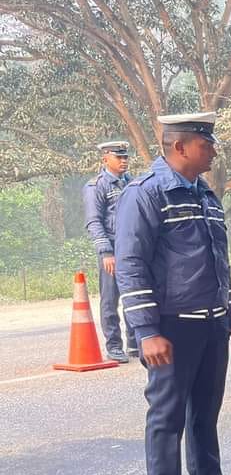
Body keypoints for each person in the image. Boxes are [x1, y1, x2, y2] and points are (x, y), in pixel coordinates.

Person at [114, 113, 231, 475]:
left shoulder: (206, 196)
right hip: (171, 328)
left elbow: (218, 264)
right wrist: (146, 331)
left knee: (205, 411)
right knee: (166, 417)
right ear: (180, 147)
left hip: (212, 325)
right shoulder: (146, 194)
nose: (212, 150)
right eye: (205, 143)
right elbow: (131, 265)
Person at [84, 140, 136, 362]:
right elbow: (94, 222)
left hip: (133, 247)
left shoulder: (132, 183)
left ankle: (135, 342)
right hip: (112, 247)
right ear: (105, 158)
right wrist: (106, 252)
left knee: (134, 294)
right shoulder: (96, 186)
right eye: (119, 157)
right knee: (110, 298)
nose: (124, 160)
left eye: (125, 157)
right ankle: (114, 345)